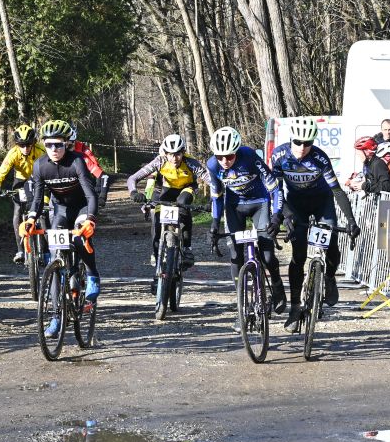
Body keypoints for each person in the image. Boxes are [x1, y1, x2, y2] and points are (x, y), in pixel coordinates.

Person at [270, 118, 361, 332]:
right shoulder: (280, 156)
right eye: (298, 142)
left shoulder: (320, 157)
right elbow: (275, 192)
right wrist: (286, 215)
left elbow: (337, 191)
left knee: (332, 244)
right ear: (292, 139)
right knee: (298, 256)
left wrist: (351, 220)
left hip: (322, 203)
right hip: (295, 206)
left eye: (307, 143)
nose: (302, 147)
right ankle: (294, 308)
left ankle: (329, 277)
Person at [20, 120, 99, 338]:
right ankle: (56, 316)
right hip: (61, 209)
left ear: (67, 144)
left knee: (79, 237)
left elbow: (91, 195)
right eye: (49, 145)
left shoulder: (77, 162)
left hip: (82, 205)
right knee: (54, 257)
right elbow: (37, 199)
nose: (54, 150)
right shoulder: (39, 165)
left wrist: (90, 219)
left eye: (58, 145)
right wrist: (31, 219)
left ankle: (92, 276)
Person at [206, 126, 287, 325]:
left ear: (237, 151)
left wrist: (277, 216)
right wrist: (215, 225)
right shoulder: (212, 165)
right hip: (234, 207)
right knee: (235, 255)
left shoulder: (249, 156)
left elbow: (275, 189)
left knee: (268, 256)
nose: (225, 161)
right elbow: (216, 197)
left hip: (259, 202)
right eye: (220, 156)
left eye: (230, 156)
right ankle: (241, 306)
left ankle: (277, 286)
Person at [127, 134, 208, 288]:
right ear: (165, 153)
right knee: (156, 217)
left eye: (178, 153)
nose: (174, 158)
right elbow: (132, 178)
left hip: (186, 189)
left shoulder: (191, 162)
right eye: (170, 154)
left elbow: (209, 178)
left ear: (183, 151)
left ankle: (187, 248)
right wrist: (134, 193)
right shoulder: (160, 161)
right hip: (165, 190)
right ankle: (156, 257)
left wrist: (216, 196)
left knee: (183, 204)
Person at [0, 124, 45, 264]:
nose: (25, 148)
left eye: (28, 144)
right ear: (17, 144)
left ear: (33, 143)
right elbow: (1, 172)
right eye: (22, 145)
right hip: (21, 182)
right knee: (17, 213)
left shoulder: (41, 150)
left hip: (39, 180)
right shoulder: (13, 153)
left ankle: (46, 250)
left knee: (44, 210)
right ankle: (20, 249)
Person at [68, 125, 110, 208]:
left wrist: (102, 196)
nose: (68, 147)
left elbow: (103, 176)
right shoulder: (55, 153)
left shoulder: (83, 152)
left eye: (72, 143)